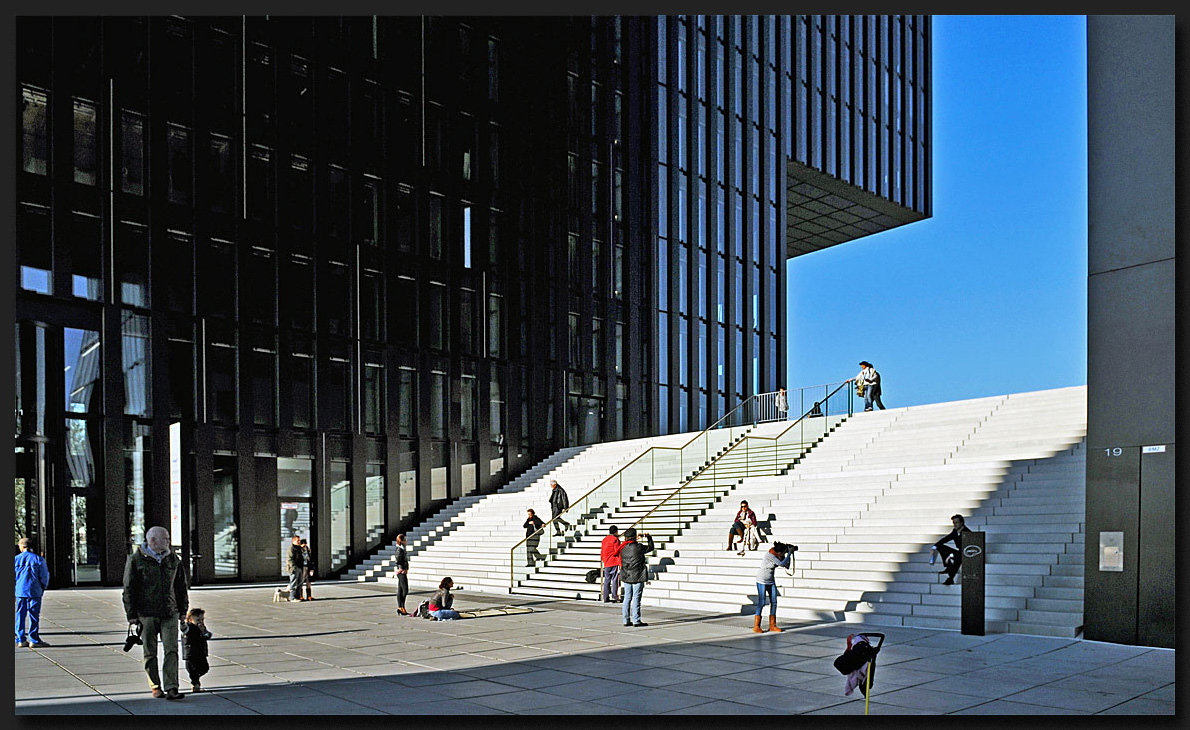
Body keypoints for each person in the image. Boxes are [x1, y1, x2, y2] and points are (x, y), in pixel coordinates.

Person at [122, 525, 189, 700]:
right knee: (149, 652)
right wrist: (131, 615)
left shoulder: (173, 559)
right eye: (165, 538)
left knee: (171, 650)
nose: (168, 541)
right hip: (146, 613)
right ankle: (155, 685)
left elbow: (181, 586)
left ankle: (172, 687)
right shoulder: (136, 560)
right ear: (152, 540)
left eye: (168, 538)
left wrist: (183, 610)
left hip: (170, 611)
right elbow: (129, 589)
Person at [613, 528, 655, 627]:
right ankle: (636, 620)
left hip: (626, 575)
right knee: (636, 598)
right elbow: (650, 547)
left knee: (627, 598)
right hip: (638, 575)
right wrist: (648, 537)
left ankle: (625, 620)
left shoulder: (622, 547)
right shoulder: (639, 547)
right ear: (634, 536)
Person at [15, 537, 51, 648]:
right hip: (34, 590)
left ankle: (20, 639)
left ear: (22, 546)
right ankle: (34, 639)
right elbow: (44, 575)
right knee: (34, 615)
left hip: (21, 590)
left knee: (20, 615)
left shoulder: (16, 559)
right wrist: (43, 586)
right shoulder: (38, 559)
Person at [753, 542, 792, 633]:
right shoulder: (770, 555)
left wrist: (789, 555)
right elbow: (782, 564)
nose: (783, 554)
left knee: (774, 602)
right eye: (783, 553)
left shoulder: (777, 556)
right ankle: (756, 626)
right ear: (778, 552)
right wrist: (789, 553)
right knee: (762, 602)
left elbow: (787, 566)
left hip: (771, 581)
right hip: (762, 581)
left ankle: (772, 625)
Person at [930, 514, 972, 586]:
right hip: (959, 552)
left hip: (966, 553)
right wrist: (934, 547)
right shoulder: (955, 531)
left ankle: (950, 578)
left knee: (958, 557)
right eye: (954, 523)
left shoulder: (967, 532)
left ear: (961, 523)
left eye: (956, 522)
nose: (954, 525)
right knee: (940, 546)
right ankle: (948, 566)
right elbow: (946, 539)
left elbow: (970, 547)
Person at [181, 608, 211, 693]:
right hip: (191, 654)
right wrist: (182, 622)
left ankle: (196, 679)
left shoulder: (202, 628)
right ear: (190, 620)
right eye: (198, 620)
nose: (200, 621)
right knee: (192, 670)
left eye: (202, 619)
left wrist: (203, 631)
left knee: (205, 668)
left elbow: (208, 636)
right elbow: (183, 629)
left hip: (201, 653)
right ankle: (195, 684)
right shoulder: (188, 627)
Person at [600, 525, 622, 603]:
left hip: (606, 562)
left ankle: (605, 597)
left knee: (607, 580)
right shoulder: (615, 540)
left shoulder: (604, 539)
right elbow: (617, 551)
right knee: (615, 580)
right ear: (616, 531)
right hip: (614, 561)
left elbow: (602, 551)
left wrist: (604, 560)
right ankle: (615, 596)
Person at [394, 533, 411, 615]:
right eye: (405, 540)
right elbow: (398, 560)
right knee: (405, 589)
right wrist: (402, 569)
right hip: (401, 572)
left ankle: (401, 607)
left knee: (400, 590)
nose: (406, 541)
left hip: (403, 571)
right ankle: (401, 606)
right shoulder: (399, 550)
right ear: (402, 541)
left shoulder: (402, 549)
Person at [285, 535, 305, 602]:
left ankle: (298, 596)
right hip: (294, 568)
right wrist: (293, 567)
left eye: (299, 540)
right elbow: (289, 559)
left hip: (300, 567)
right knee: (294, 582)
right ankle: (292, 597)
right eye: (297, 540)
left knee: (300, 583)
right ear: (293, 541)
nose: (299, 542)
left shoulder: (299, 548)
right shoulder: (291, 549)